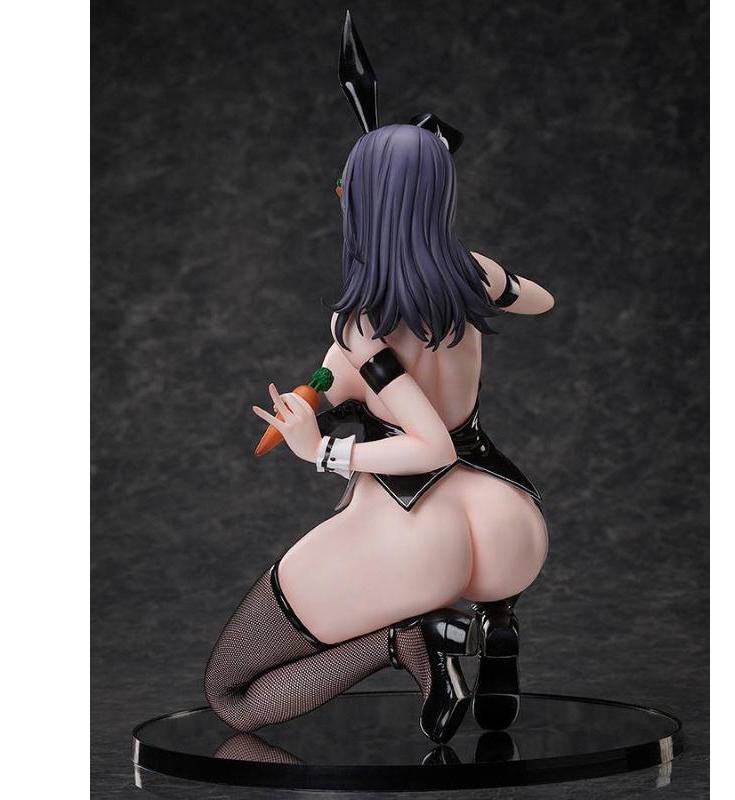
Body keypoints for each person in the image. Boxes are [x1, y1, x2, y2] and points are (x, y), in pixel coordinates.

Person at [204, 123, 554, 744]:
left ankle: (410, 641)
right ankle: (498, 618)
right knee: (481, 563)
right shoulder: (474, 274)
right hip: (508, 522)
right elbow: (541, 300)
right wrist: (332, 384)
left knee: (230, 693)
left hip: (418, 535)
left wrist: (321, 448)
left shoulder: (364, 323)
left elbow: (428, 445)